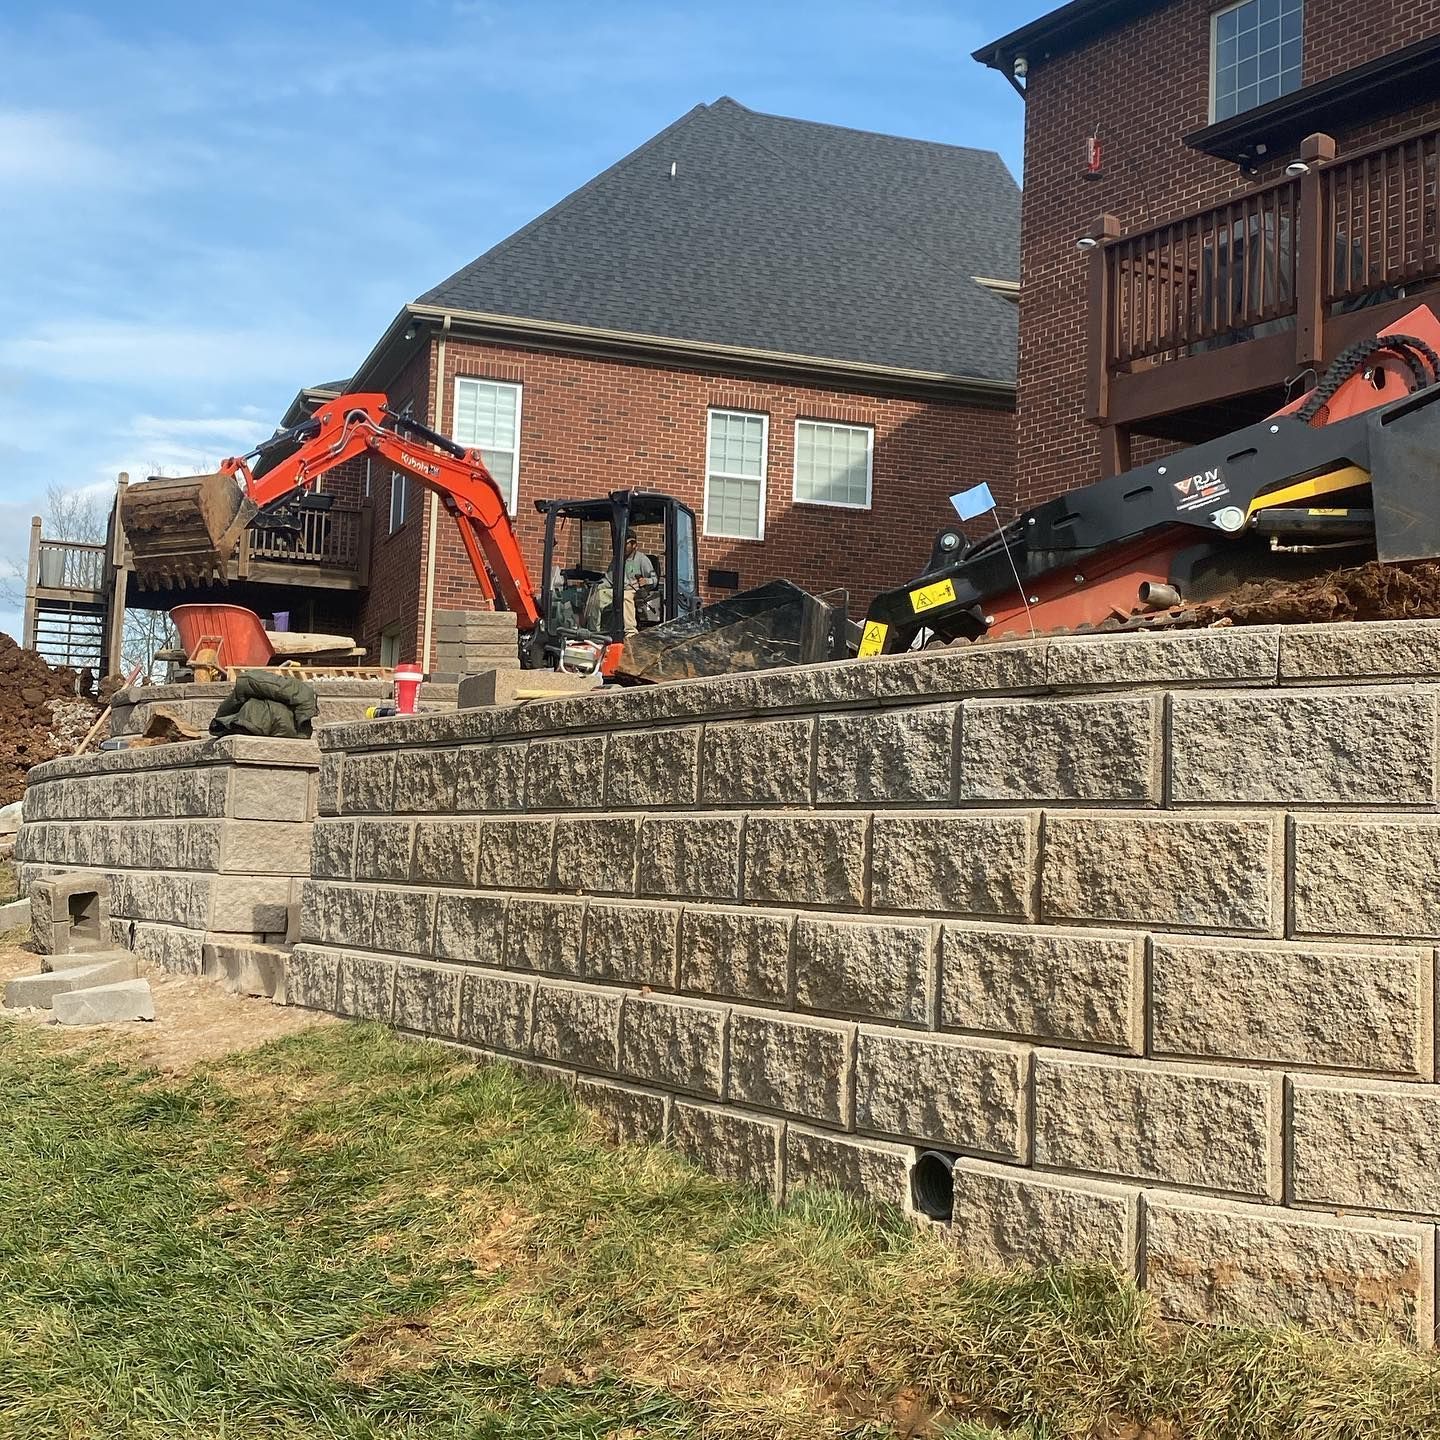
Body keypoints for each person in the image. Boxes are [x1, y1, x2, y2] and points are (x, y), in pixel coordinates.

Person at [584, 530, 655, 635]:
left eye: (625, 544)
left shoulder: (642, 559)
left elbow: (654, 579)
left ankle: (630, 632)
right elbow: (609, 579)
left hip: (635, 591)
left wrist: (646, 581)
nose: (622, 547)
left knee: (625, 596)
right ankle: (594, 631)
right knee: (598, 595)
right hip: (617, 590)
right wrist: (597, 586)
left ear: (634, 544)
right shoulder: (617, 559)